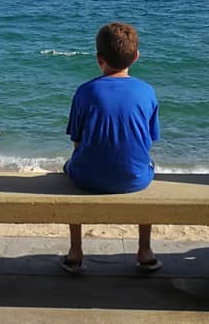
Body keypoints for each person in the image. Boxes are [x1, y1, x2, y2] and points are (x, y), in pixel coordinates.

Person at [61, 22, 161, 276]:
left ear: (99, 59)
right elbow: (148, 141)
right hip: (134, 179)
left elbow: (77, 142)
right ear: (136, 57)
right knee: (146, 166)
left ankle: (75, 252)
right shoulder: (147, 92)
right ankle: (145, 251)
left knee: (72, 165)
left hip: (87, 178)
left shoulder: (85, 91)